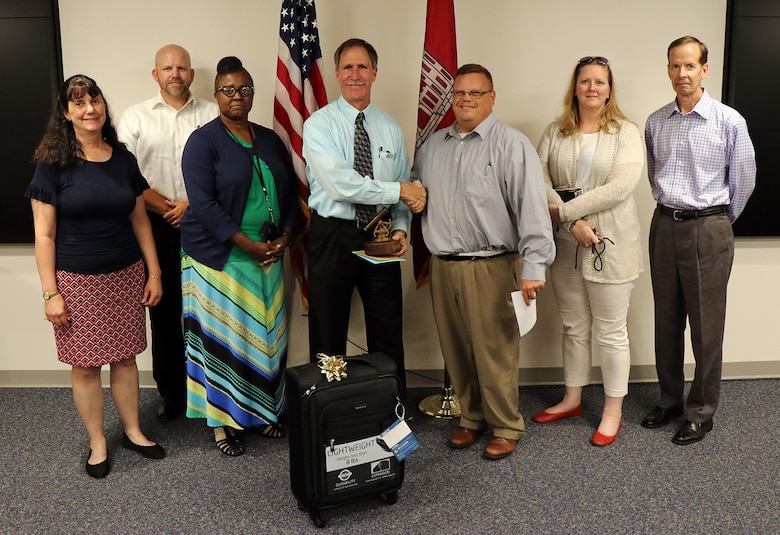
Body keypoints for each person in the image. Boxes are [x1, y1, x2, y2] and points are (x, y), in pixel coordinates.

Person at [412, 64, 555, 460]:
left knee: (495, 351)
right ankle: (471, 418)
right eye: (460, 93)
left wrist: (534, 267)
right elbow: (416, 193)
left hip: (492, 266)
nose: (467, 99)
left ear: (492, 98)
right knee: (456, 349)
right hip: (444, 266)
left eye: (476, 93)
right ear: (452, 98)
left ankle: (506, 425)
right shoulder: (432, 147)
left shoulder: (511, 145)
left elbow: (532, 209)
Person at [26, 75, 166, 479]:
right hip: (76, 281)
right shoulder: (52, 163)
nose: (90, 109)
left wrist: (153, 272)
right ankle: (97, 441)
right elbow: (44, 234)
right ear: (67, 114)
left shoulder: (122, 158)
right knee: (86, 366)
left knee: (125, 358)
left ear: (103, 105)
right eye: (79, 103)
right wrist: (50, 293)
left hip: (125, 275)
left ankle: (133, 432)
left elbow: (140, 221)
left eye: (95, 100)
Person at [180, 56, 297, 456]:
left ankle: (264, 411)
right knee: (226, 341)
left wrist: (285, 236)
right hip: (221, 257)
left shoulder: (268, 138)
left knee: (266, 339)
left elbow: (290, 196)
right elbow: (203, 202)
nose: (237, 96)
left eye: (245, 89)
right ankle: (223, 422)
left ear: (253, 94)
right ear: (216, 95)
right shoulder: (203, 141)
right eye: (229, 89)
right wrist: (244, 243)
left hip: (268, 255)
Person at [643, 36, 756, 445]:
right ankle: (670, 398)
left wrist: (714, 224)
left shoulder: (730, 121)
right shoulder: (656, 121)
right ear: (668, 69)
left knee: (706, 327)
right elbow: (656, 173)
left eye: (690, 66)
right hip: (664, 226)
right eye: (675, 66)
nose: (681, 73)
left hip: (708, 228)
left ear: (705, 69)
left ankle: (701, 410)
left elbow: (743, 183)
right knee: (666, 321)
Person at [302, 38, 426, 393]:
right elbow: (342, 185)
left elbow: (405, 184)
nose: (355, 74)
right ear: (337, 74)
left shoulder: (389, 128)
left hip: (381, 233)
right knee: (328, 330)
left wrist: (401, 229)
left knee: (387, 329)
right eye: (347, 67)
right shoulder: (319, 125)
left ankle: (390, 411)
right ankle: (330, 410)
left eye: (362, 67)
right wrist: (399, 191)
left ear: (374, 73)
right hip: (332, 235)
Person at [533, 56, 644, 447]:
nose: (592, 88)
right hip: (566, 246)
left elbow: (619, 187)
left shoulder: (625, 133)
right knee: (573, 327)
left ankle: (612, 411)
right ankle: (572, 398)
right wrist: (571, 224)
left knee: (611, 333)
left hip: (610, 245)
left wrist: (563, 212)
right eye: (585, 81)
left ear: (609, 89)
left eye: (599, 82)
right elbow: (540, 178)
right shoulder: (555, 131)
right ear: (575, 87)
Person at [117, 44, 218, 422]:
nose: (175, 74)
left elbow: (225, 171)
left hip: (207, 221)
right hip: (154, 225)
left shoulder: (213, 113)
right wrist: (167, 207)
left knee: (209, 309)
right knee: (164, 311)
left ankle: (213, 389)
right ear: (155, 74)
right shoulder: (135, 118)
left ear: (191, 74)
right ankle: (173, 394)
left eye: (182, 68)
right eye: (167, 68)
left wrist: (193, 206)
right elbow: (126, 175)